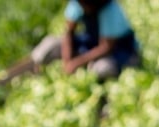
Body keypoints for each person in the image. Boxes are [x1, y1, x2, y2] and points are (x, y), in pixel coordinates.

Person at [10, 0, 140, 81]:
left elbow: (106, 47)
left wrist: (76, 63)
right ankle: (25, 69)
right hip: (90, 43)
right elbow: (68, 34)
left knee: (102, 69)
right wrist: (67, 60)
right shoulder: (78, 3)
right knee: (50, 45)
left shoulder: (111, 10)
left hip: (118, 50)